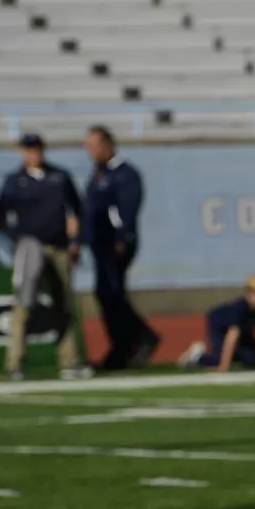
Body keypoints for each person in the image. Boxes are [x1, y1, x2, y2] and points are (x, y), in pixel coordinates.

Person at [0, 133, 85, 381]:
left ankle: (69, 361)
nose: (33, 154)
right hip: (30, 247)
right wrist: (18, 239)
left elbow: (77, 209)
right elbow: (1, 215)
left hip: (58, 247)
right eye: (29, 150)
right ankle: (15, 362)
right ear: (22, 152)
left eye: (37, 149)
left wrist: (75, 239)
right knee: (24, 302)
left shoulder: (59, 177)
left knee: (63, 302)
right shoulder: (15, 181)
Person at [83, 126, 157, 370]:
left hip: (116, 244)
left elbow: (128, 209)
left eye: (94, 146)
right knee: (107, 294)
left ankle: (137, 339)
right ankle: (123, 345)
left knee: (112, 293)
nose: (91, 152)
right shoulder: (98, 174)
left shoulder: (124, 173)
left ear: (107, 145)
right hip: (100, 244)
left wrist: (123, 238)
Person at [179, 275, 255, 371]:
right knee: (217, 361)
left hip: (243, 330)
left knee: (253, 360)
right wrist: (224, 366)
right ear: (249, 294)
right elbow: (232, 336)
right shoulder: (240, 308)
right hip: (219, 325)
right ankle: (197, 356)